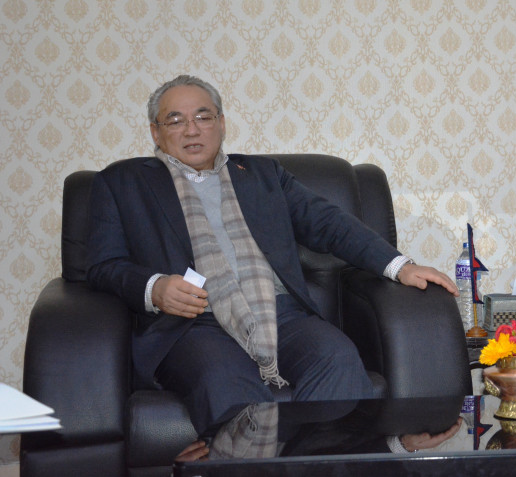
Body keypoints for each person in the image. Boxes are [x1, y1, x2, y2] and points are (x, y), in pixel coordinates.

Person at [86, 74, 459, 435]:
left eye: (203, 117)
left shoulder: (263, 175)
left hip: (280, 313)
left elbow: (329, 223)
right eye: (175, 120)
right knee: (227, 382)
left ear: (221, 123)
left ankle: (311, 462)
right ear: (156, 132)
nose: (192, 130)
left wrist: (399, 266)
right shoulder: (122, 183)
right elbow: (103, 265)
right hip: (194, 325)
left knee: (338, 358)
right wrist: (154, 288)